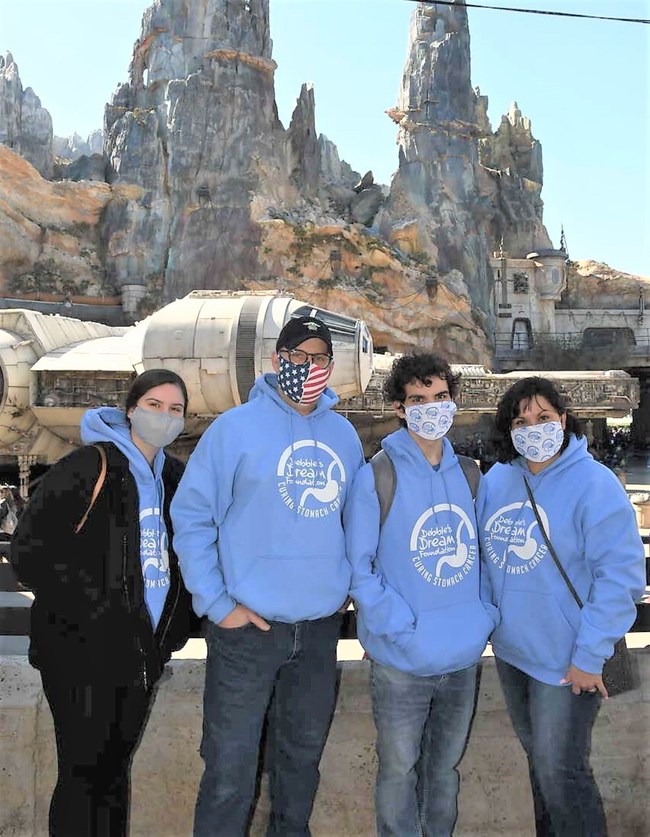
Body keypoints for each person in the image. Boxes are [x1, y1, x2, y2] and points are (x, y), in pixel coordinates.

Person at [171, 316, 365, 837]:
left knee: (300, 768)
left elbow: (354, 522)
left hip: (320, 631)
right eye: (297, 355)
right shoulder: (233, 429)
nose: (309, 366)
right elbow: (191, 518)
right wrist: (217, 605)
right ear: (277, 360)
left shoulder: (343, 435)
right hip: (246, 633)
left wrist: (344, 589)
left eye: (320, 356)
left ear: (331, 364)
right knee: (230, 772)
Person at [11, 368, 195, 837]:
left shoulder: (174, 478)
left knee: (113, 775)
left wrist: (167, 634)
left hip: (140, 654)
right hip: (80, 653)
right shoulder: (90, 466)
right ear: (130, 408)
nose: (164, 416)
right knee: (83, 775)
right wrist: (94, 614)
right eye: (154, 405)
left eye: (175, 409)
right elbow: (29, 552)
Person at [477, 376, 645, 837]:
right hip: (514, 655)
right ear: (509, 431)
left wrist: (590, 657)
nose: (534, 428)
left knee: (562, 774)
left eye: (543, 418)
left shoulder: (595, 484)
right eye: (521, 421)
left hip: (569, 661)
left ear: (564, 420)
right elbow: (483, 562)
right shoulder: (498, 480)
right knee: (541, 771)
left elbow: (621, 579)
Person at [343, 352, 494, 837]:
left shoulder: (471, 475)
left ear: (454, 402)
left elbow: (485, 557)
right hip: (401, 661)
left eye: (441, 397)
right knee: (398, 771)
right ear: (399, 407)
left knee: (443, 773)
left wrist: (482, 617)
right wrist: (397, 627)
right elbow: (358, 568)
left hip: (461, 656)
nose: (432, 407)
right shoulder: (377, 476)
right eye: (419, 399)